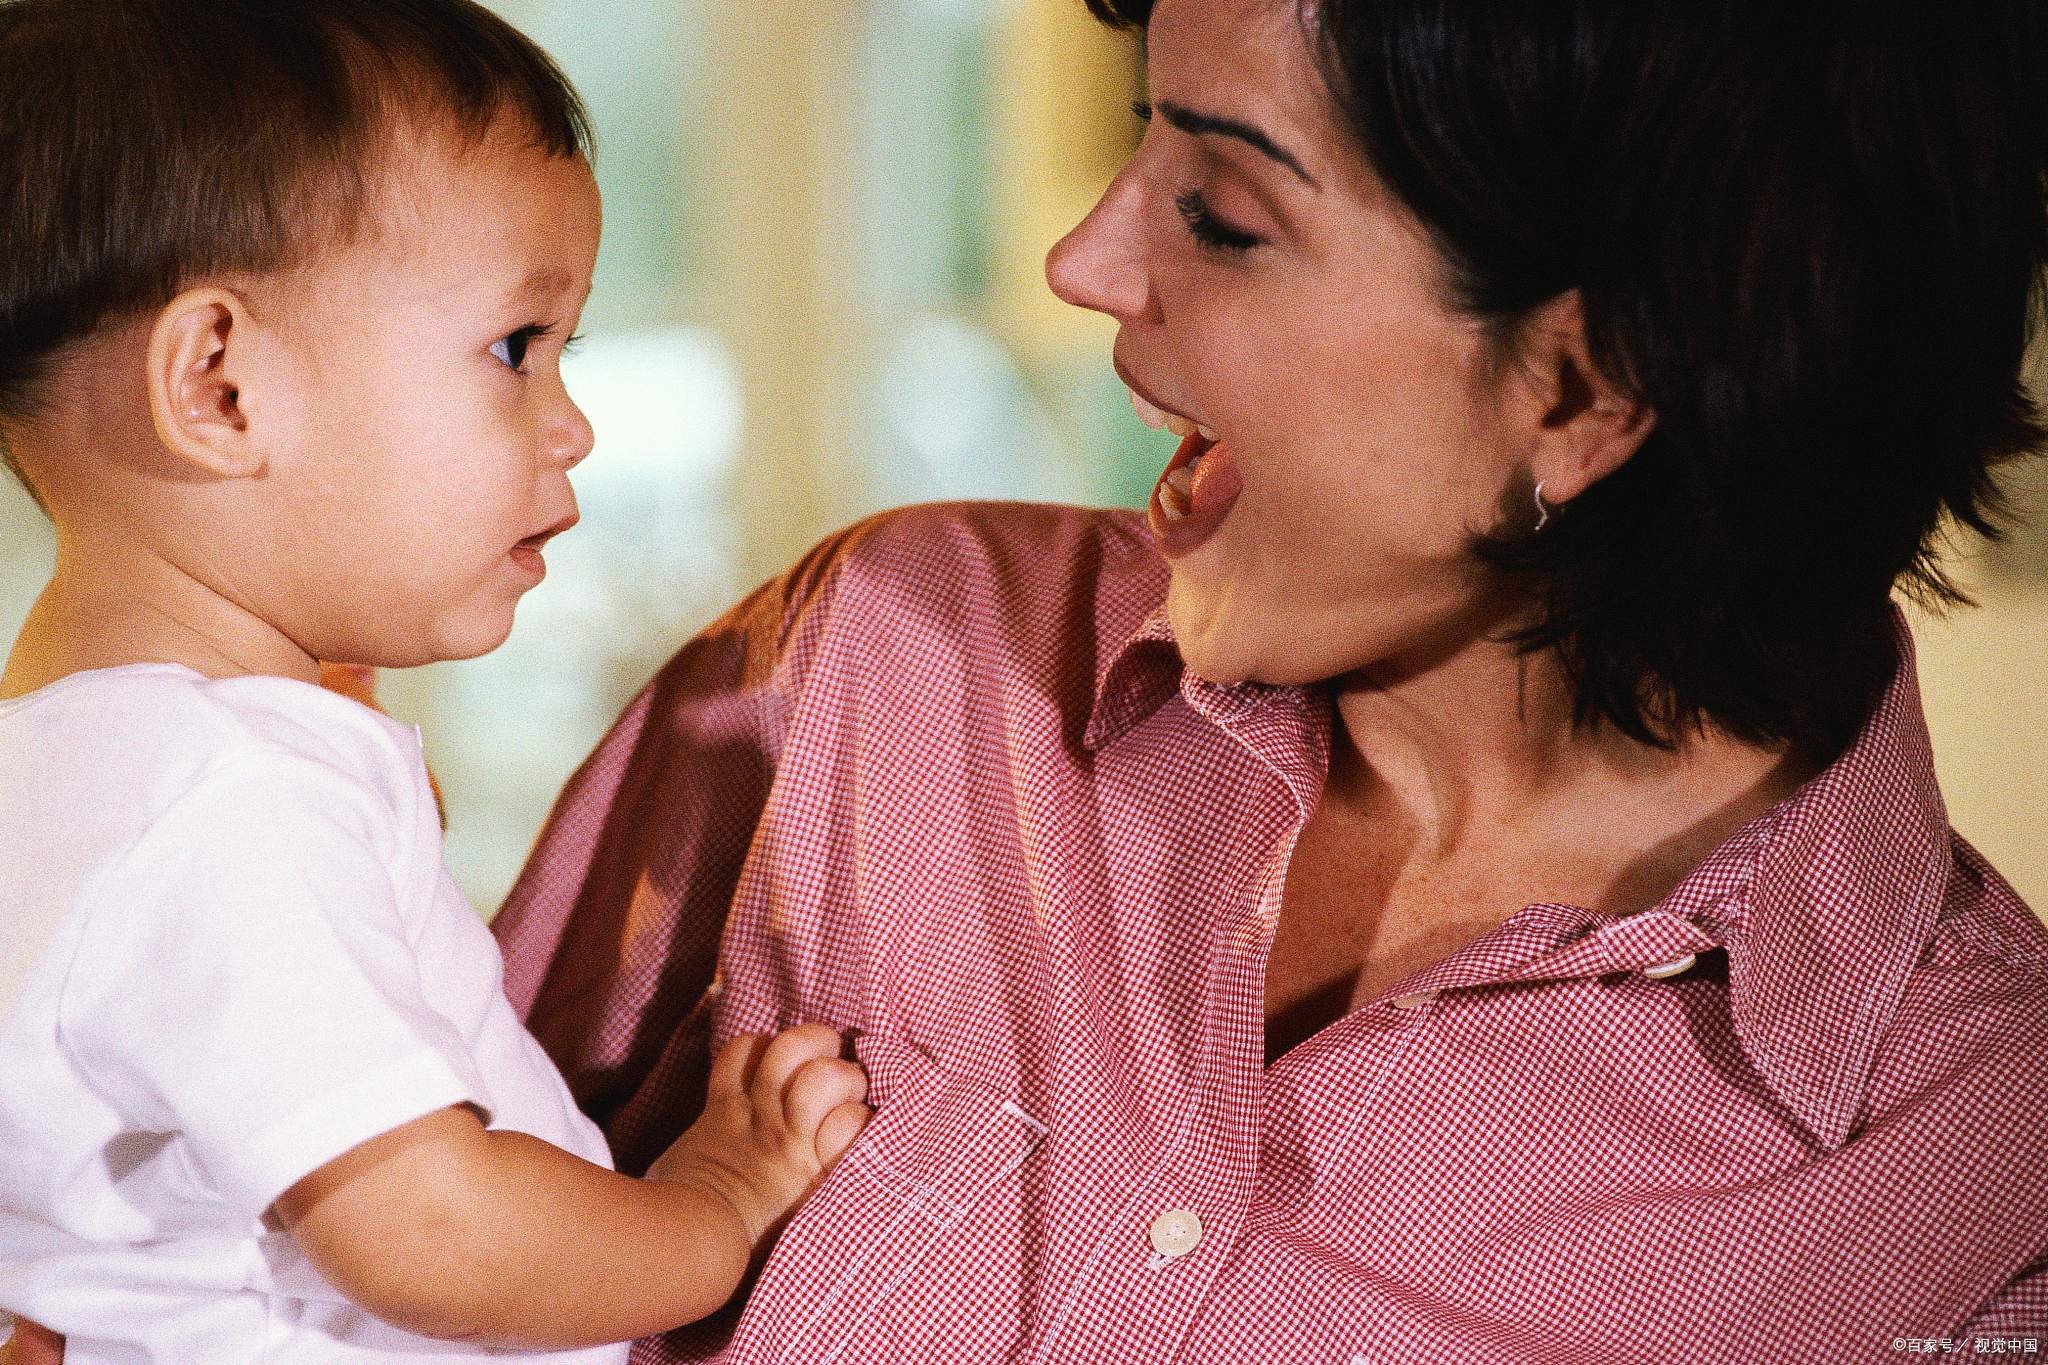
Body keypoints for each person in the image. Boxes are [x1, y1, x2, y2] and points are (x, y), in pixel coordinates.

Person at [495, 0, 2048, 1359]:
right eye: (1141, 136)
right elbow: (376, 1230)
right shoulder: (882, 651)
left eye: (1224, 214)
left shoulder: (1986, 1193)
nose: (1083, 260)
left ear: (1584, 391)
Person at [0, 1, 867, 1359]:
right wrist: (716, 1199)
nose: (572, 425)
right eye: (517, 347)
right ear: (221, 387)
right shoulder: (229, 797)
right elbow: (435, 1235)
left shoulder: (72, 770)